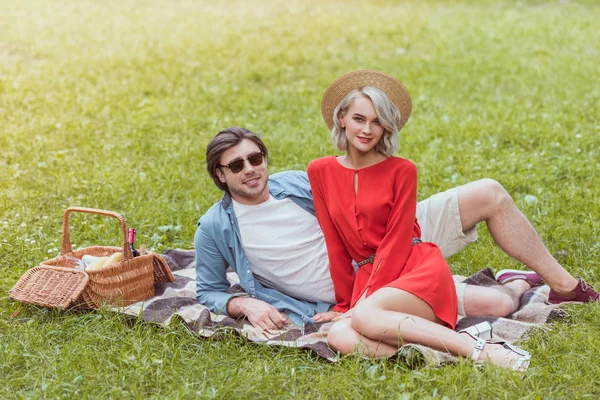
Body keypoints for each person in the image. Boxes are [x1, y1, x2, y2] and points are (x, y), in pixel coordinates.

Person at [307, 69, 531, 369]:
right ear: (342, 118)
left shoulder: (402, 170)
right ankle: (444, 356)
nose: (367, 130)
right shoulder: (319, 171)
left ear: (386, 128)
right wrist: (345, 304)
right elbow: (334, 244)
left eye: (377, 122)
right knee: (340, 335)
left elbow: (398, 241)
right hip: (368, 278)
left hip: (414, 269)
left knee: (364, 317)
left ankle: (479, 351)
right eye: (359, 119)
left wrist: (362, 304)